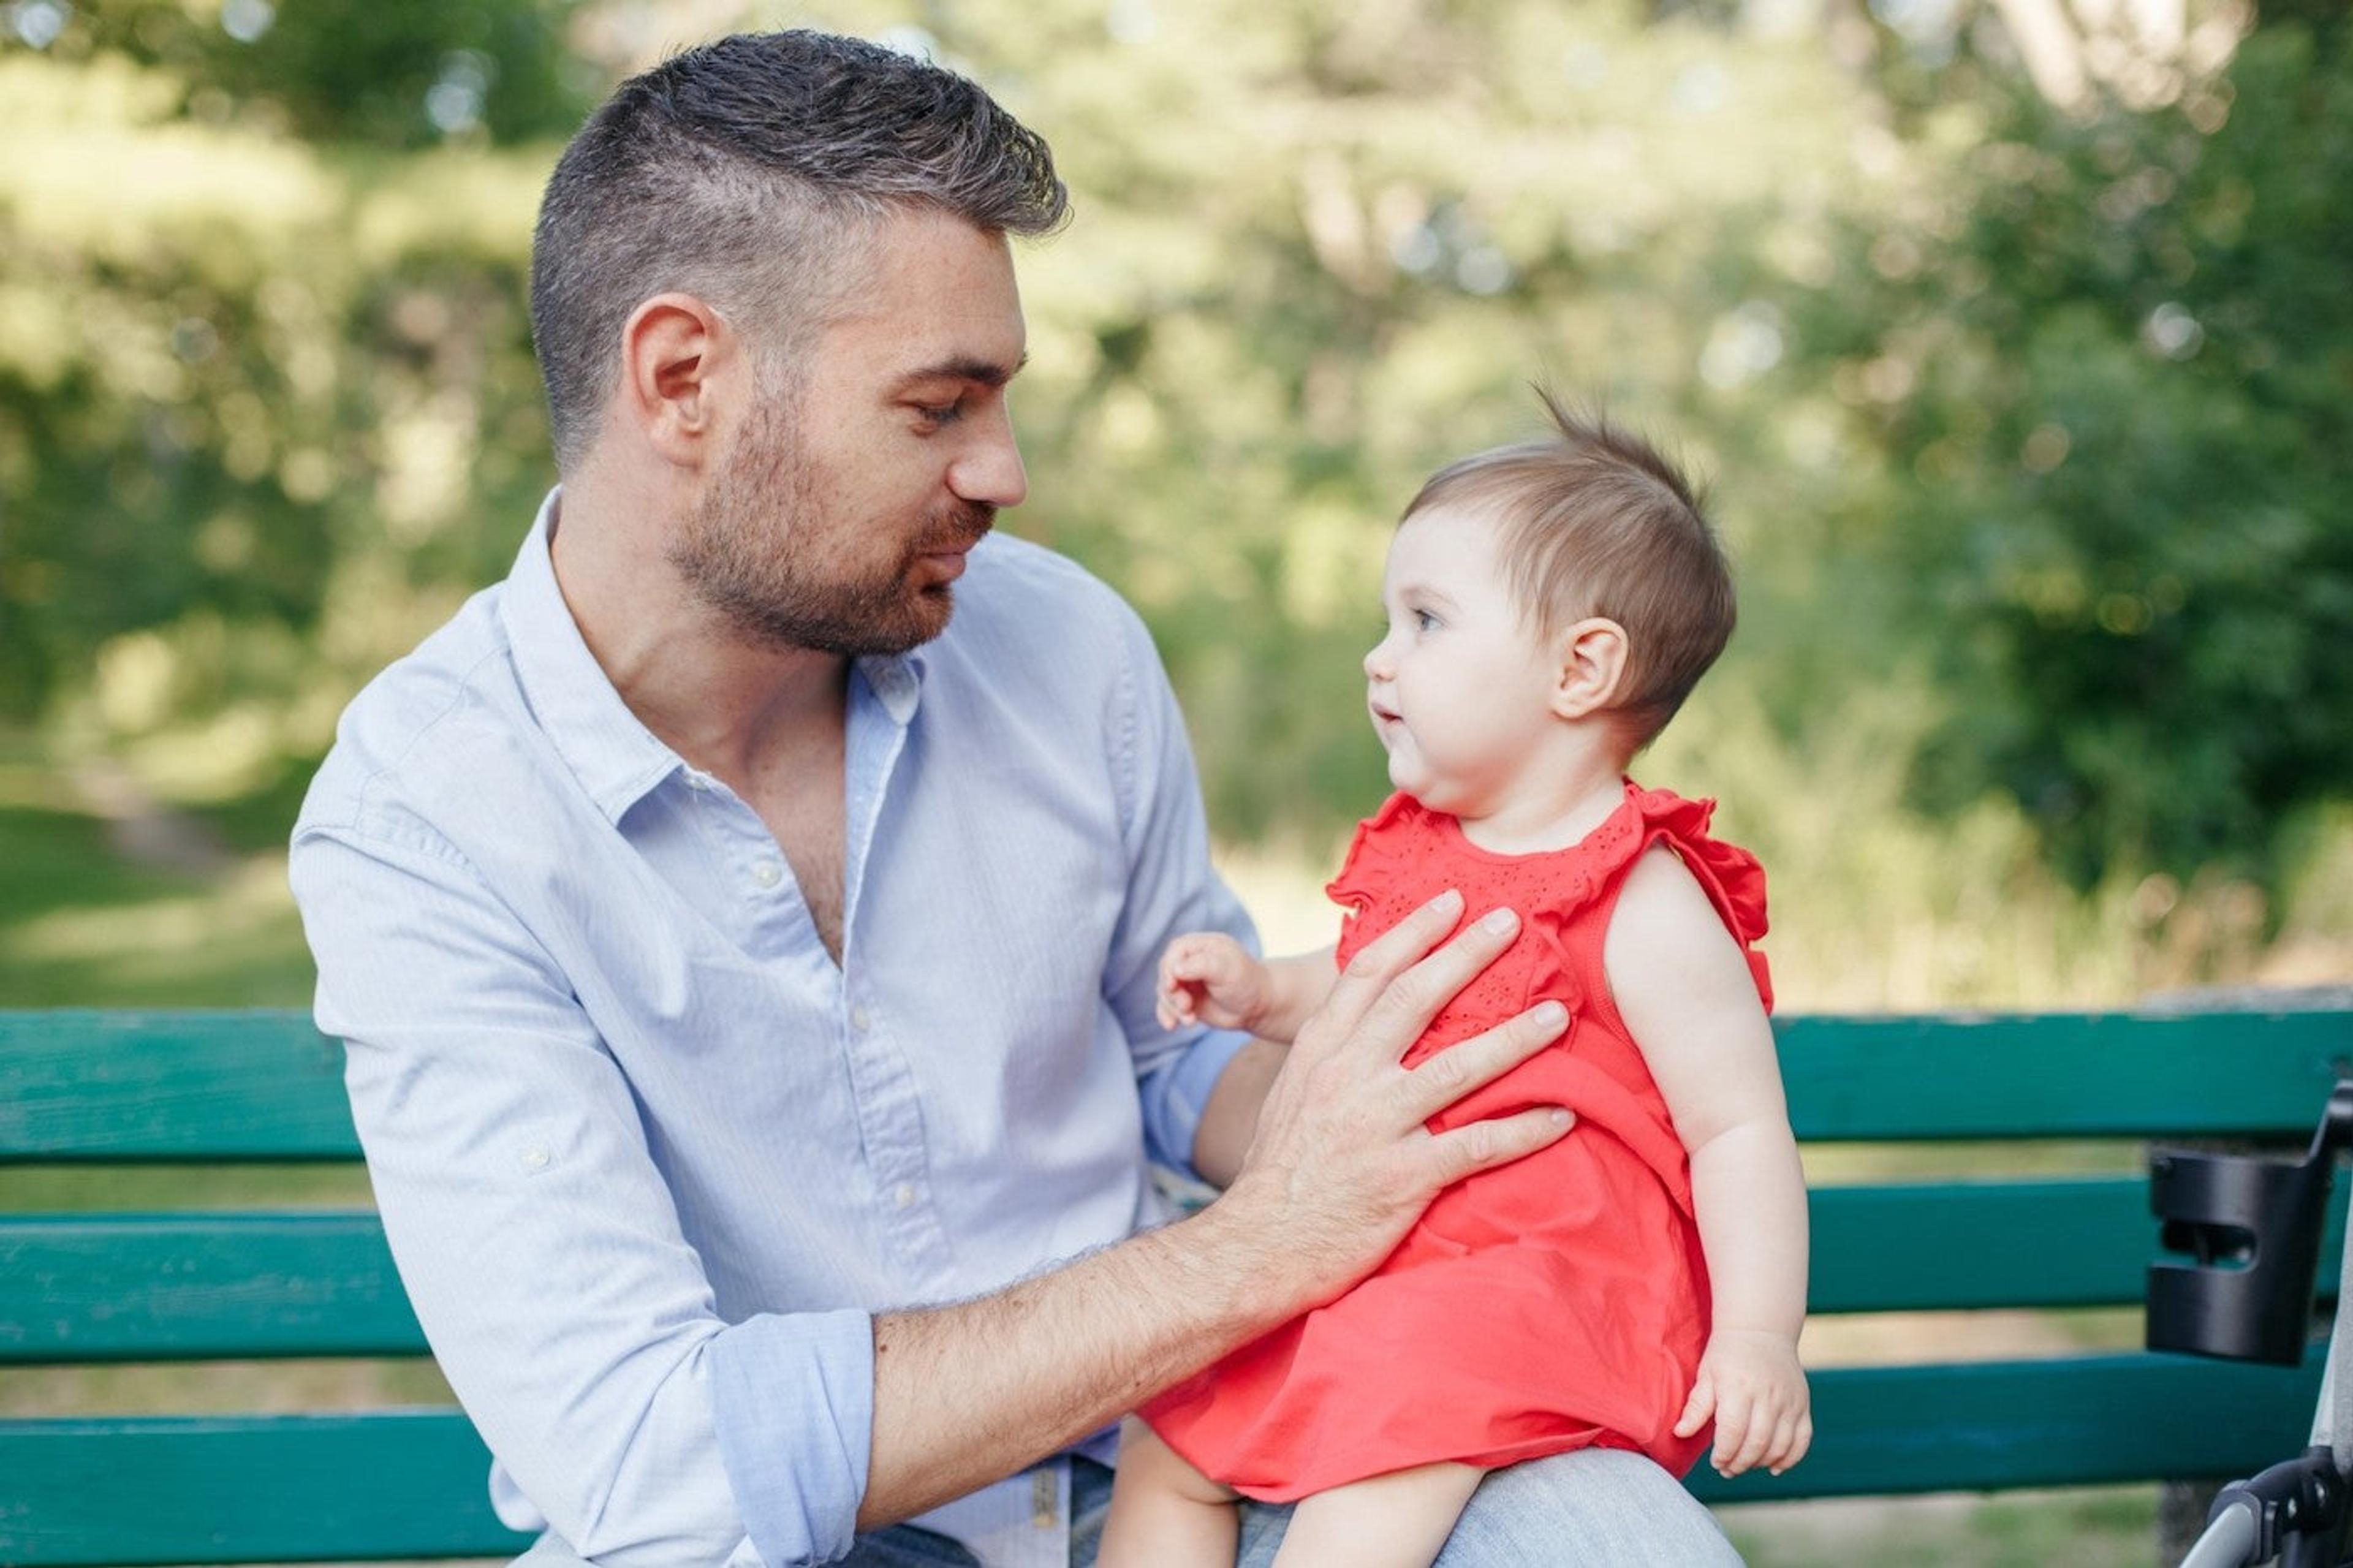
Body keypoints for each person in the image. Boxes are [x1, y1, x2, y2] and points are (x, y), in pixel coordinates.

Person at [287, 31, 1746, 1567]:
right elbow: (654, 1452)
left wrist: (1422, 1088)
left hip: (1196, 1477)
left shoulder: (1065, 646)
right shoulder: (428, 820)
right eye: (940, 406)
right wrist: (1253, 1251)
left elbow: (1175, 1069)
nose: (1006, 469)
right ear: (682, 380)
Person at [1098, 396, 1812, 1567]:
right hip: (1377, 1254)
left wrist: (1759, 1336)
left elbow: (1737, 1129)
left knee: (1369, 1495)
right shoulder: (1428, 845)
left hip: (1527, 1285)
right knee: (1170, 1448)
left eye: (1427, 620)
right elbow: (1363, 984)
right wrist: (1258, 995)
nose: (1380, 657)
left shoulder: (1644, 899)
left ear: (1582, 668)